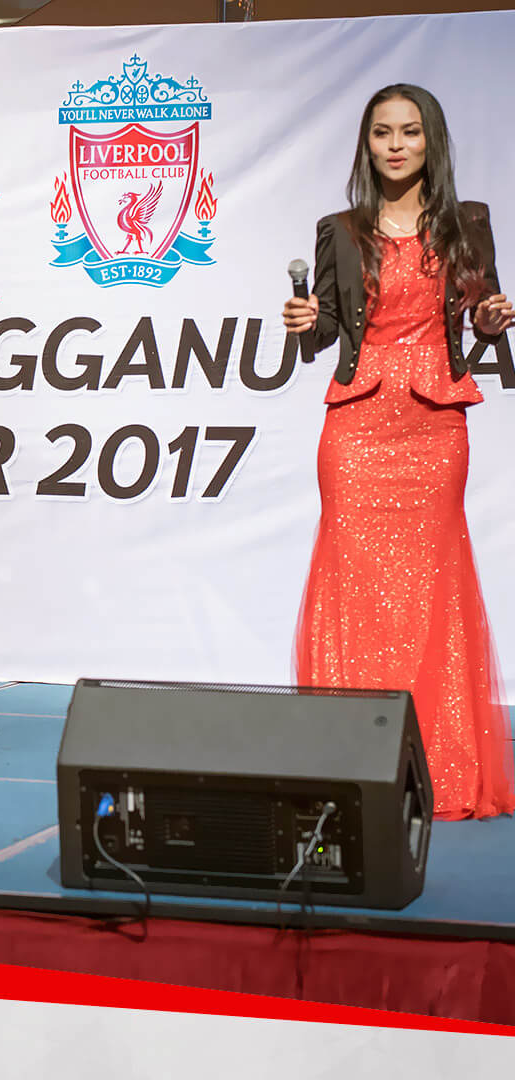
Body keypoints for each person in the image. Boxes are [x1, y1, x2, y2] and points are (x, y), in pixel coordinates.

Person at [283, 84, 515, 820]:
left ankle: (439, 768)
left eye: (410, 132)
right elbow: (324, 332)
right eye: (382, 132)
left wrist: (493, 318)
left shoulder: (468, 224)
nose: (395, 145)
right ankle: (350, 767)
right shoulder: (340, 231)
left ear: (430, 141)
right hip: (356, 428)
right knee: (352, 589)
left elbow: (483, 317)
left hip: (435, 425)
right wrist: (306, 322)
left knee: (432, 590)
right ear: (367, 143)